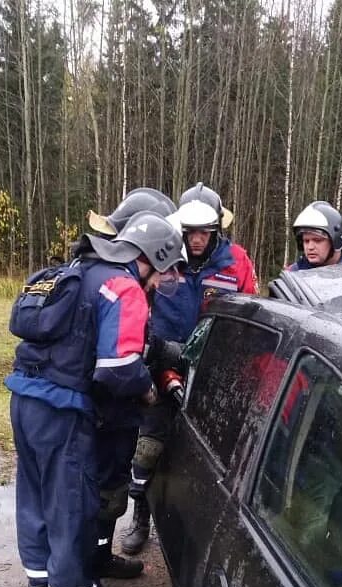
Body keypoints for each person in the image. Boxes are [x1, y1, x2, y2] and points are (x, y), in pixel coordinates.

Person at [6, 211, 183, 587]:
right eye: (166, 272)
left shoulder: (80, 269)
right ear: (153, 258)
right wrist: (147, 391)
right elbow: (118, 369)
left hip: (24, 401)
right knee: (70, 514)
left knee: (36, 507)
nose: (165, 282)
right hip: (63, 412)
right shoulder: (124, 287)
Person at [122, 183, 259, 555]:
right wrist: (159, 365)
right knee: (147, 447)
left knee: (214, 455)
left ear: (216, 230)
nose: (196, 240)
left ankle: (202, 529)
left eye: (204, 233)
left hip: (216, 371)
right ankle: (140, 517)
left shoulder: (237, 262)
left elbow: (250, 318)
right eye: (189, 232)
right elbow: (141, 310)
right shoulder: (163, 258)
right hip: (162, 364)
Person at [72, 188, 178, 587]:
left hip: (115, 412)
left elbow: (134, 337)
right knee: (93, 495)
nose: (162, 278)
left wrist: (165, 352)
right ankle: (83, 580)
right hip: (99, 408)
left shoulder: (125, 279)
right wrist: (145, 388)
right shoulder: (115, 280)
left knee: (111, 494)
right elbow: (114, 361)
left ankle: (99, 561)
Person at [287, 201, 342, 271]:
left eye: (317, 240)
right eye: (306, 241)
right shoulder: (295, 274)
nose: (310, 247)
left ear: (335, 240)